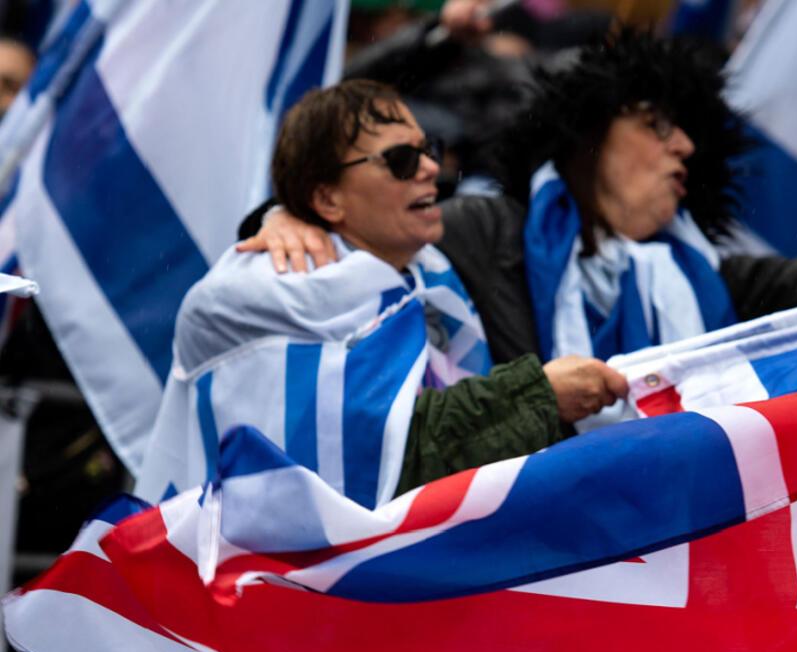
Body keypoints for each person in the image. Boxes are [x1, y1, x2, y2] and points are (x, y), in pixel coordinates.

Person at [134, 79, 627, 506]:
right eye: (401, 159)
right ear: (327, 198)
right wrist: (538, 396)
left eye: (427, 149)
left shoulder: (432, 275)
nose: (430, 167)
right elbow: (370, 459)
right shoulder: (261, 294)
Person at [240, 30, 797, 378]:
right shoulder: (487, 232)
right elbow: (362, 219)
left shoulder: (704, 272)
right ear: (588, 137)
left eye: (686, 132)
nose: (684, 145)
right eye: (656, 125)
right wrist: (283, 217)